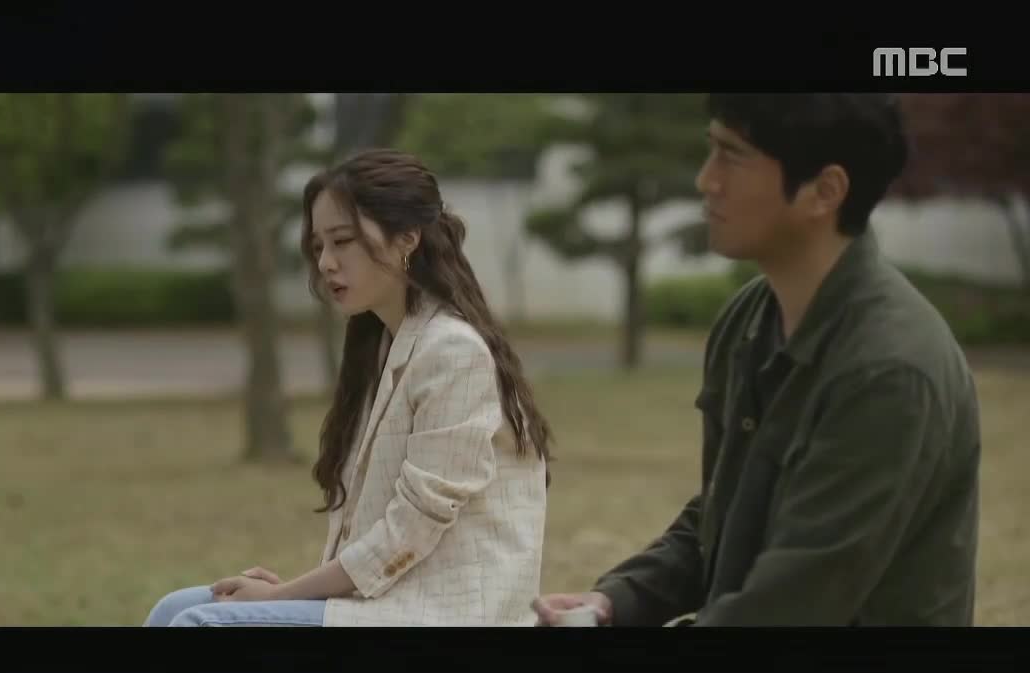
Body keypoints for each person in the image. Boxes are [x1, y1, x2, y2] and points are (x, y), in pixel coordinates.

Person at [533, 93, 981, 627]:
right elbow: (722, 518)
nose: (706, 180)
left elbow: (795, 600)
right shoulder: (748, 319)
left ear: (825, 191)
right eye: (711, 151)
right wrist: (616, 602)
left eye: (733, 157)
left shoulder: (889, 371)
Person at [145, 148, 554, 627]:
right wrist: (286, 597)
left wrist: (285, 596)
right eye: (318, 246)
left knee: (201, 624)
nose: (325, 263)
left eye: (342, 241)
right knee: (175, 608)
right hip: (383, 603)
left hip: (445, 614)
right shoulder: (385, 346)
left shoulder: (452, 352)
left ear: (407, 238)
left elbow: (410, 531)